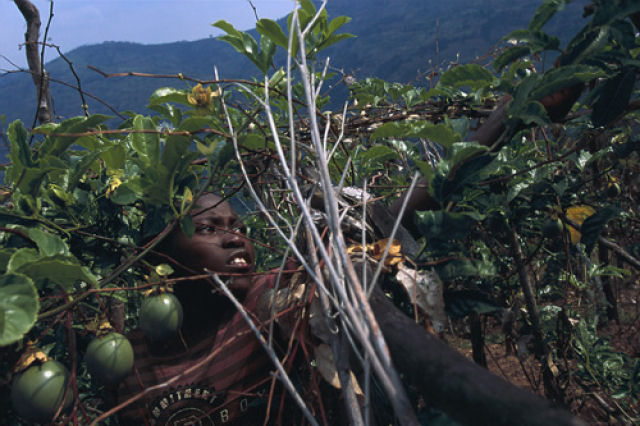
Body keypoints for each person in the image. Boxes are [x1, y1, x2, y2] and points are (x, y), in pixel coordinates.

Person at [115, 193, 301, 425]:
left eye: (241, 229)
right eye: (207, 229)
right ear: (158, 255)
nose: (235, 239)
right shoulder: (127, 358)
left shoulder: (268, 296)